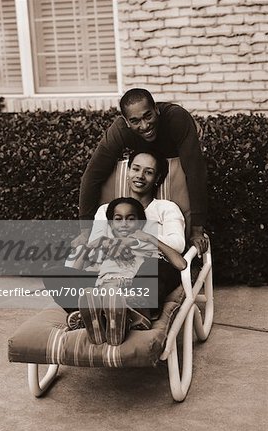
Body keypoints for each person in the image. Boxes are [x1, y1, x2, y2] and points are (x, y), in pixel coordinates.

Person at [43, 150, 186, 341]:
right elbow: (94, 250)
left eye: (149, 172)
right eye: (136, 169)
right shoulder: (106, 210)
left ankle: (129, 313)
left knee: (153, 267)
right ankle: (93, 315)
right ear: (128, 170)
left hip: (149, 271)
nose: (140, 176)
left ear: (157, 177)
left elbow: (178, 244)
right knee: (54, 274)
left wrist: (142, 238)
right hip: (108, 276)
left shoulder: (166, 208)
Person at [76, 88, 208, 256]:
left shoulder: (176, 118)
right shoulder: (120, 130)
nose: (145, 126)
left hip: (178, 159)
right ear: (126, 121)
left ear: (156, 109)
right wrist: (86, 229)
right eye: (135, 121)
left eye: (148, 116)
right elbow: (92, 175)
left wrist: (196, 230)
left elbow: (195, 171)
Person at [68, 196, 186, 345]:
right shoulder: (105, 245)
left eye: (130, 219)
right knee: (55, 274)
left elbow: (180, 264)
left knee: (154, 265)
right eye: (118, 219)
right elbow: (73, 271)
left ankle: (120, 318)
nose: (124, 224)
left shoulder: (142, 243)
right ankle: (100, 320)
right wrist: (90, 246)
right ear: (110, 224)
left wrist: (150, 238)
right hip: (104, 291)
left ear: (140, 223)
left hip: (130, 293)